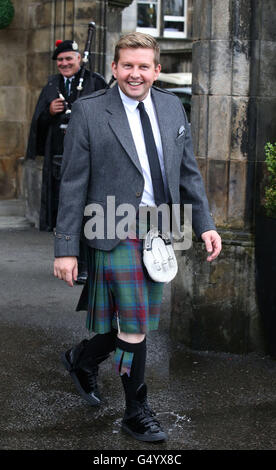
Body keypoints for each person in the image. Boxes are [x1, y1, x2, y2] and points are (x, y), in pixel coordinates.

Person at [54, 32, 222, 442]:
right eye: (127, 65)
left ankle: (83, 358)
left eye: (144, 66)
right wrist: (65, 248)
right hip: (110, 223)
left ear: (157, 70)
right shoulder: (91, 112)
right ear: (114, 68)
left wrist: (205, 223)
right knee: (134, 324)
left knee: (138, 321)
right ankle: (136, 410)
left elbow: (187, 173)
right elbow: (73, 182)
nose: (135, 74)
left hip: (159, 228)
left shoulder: (170, 107)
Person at [26, 39, 107, 283]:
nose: (64, 63)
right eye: (60, 60)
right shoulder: (51, 85)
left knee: (87, 210)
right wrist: (49, 112)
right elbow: (38, 122)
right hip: (58, 157)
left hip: (90, 158)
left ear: (79, 58)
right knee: (65, 210)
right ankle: (68, 259)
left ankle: (86, 263)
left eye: (68, 58)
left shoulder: (95, 82)